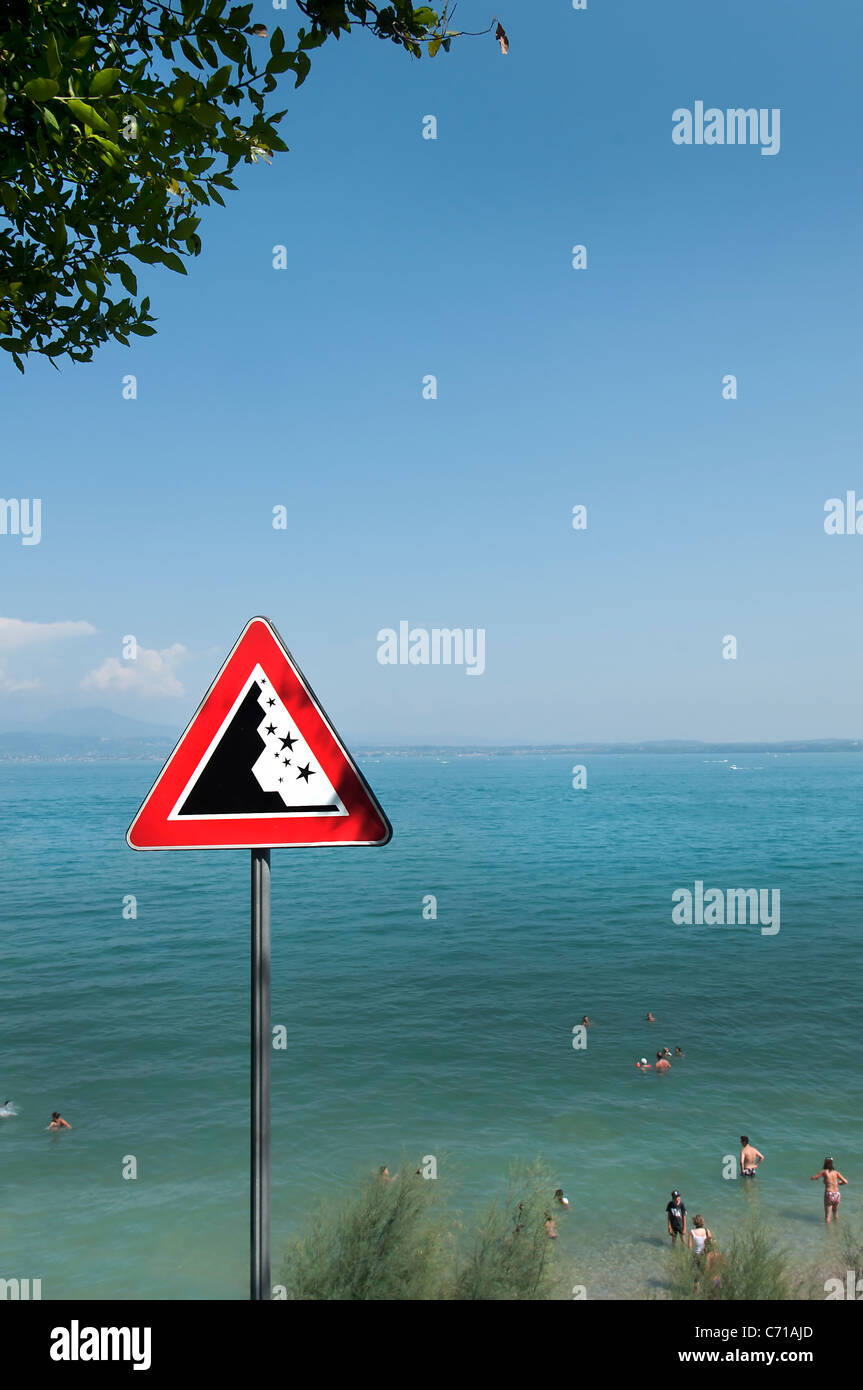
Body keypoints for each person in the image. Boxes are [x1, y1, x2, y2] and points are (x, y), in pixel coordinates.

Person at [810, 1157, 848, 1223]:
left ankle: (829, 1232)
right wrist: (839, 1183)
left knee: (827, 1216)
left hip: (829, 1194)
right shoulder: (836, 1172)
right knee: (835, 1213)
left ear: (825, 1163)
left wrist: (813, 1177)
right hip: (837, 1194)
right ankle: (837, 1228)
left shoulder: (824, 1172)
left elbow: (813, 1178)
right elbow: (845, 1181)